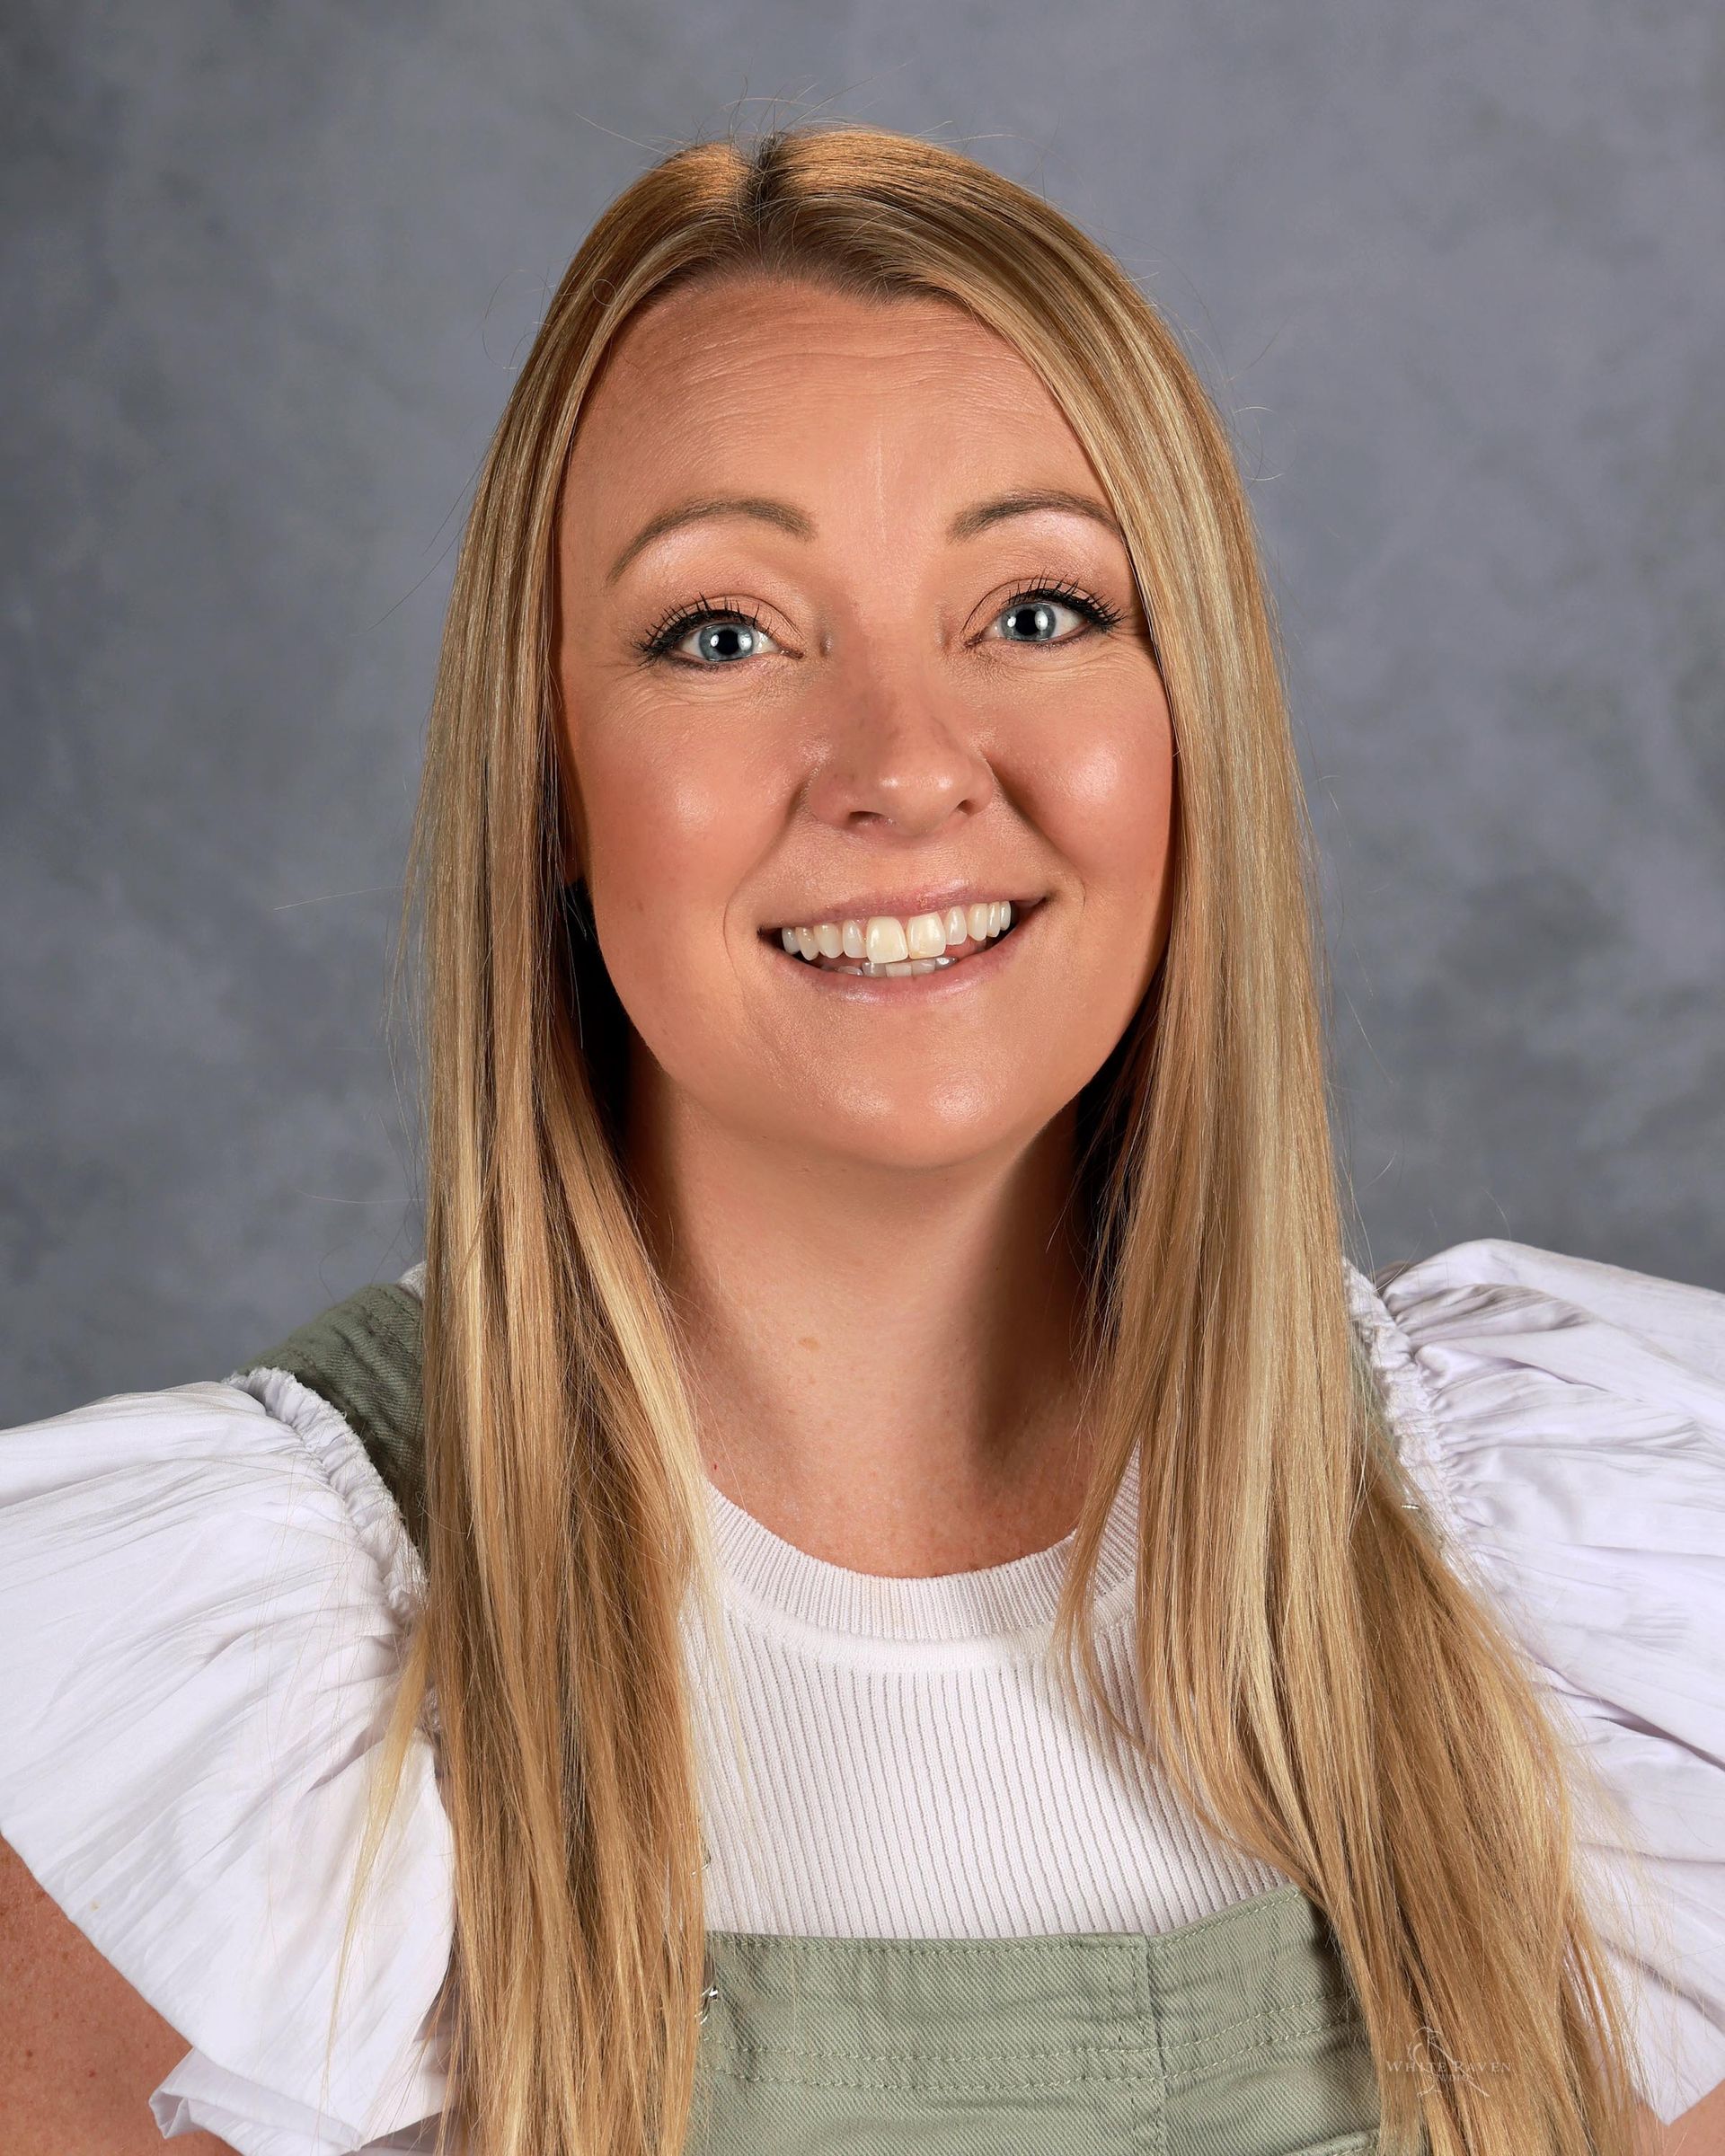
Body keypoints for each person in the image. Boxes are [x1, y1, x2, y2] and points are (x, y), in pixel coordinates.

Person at [2, 119, 1722, 2156]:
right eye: (722, 634)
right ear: (551, 778)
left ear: (1196, 722)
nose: (906, 767)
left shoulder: (1605, 1600)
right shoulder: (191, 1719)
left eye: (1039, 610)